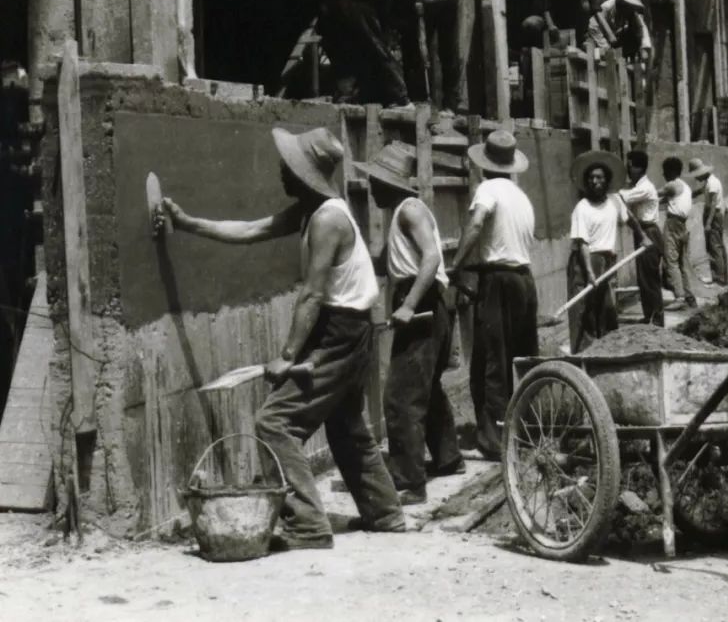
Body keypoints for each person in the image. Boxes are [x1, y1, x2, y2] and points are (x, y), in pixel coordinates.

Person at [157, 127, 405, 550]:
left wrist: (287, 356)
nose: (281, 172)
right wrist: (187, 223)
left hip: (340, 330)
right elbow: (251, 230)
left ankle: (307, 524)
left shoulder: (328, 218)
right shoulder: (310, 210)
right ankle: (385, 513)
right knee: (346, 424)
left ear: (304, 173)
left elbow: (311, 295)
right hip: (347, 328)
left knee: (274, 423)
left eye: (287, 166)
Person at [359, 141, 463, 505]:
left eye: (374, 181)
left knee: (401, 397)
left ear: (390, 182)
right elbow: (388, 262)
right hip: (426, 302)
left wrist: (409, 305)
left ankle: (409, 483)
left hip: (422, 303)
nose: (370, 188)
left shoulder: (409, 210)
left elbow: (432, 259)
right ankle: (448, 458)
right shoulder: (401, 214)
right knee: (427, 388)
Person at [450, 130, 537, 460]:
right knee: (521, 356)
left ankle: (495, 440)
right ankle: (525, 430)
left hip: (498, 281)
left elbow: (476, 226)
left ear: (484, 164)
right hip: (524, 280)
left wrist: (456, 266)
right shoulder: (520, 196)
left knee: (492, 359)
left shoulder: (487, 189)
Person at [566, 150, 628, 353]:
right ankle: (585, 355)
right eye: (591, 178)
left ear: (607, 180)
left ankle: (607, 351)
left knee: (607, 310)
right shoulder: (582, 207)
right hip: (586, 263)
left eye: (599, 177)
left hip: (607, 261)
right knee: (586, 312)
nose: (595, 181)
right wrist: (591, 274)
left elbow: (629, 220)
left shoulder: (613, 203)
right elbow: (583, 243)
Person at [618, 150, 665, 326]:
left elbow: (622, 196)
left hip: (649, 233)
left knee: (650, 279)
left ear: (639, 168)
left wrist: (614, 186)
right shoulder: (638, 186)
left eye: (630, 166)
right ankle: (649, 316)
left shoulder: (645, 188)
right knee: (643, 278)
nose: (629, 170)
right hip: (643, 232)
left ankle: (657, 319)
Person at [658, 156, 697, 310]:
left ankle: (679, 297)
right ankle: (689, 296)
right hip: (683, 226)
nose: (663, 174)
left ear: (671, 172)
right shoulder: (685, 187)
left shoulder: (672, 185)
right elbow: (668, 199)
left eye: (665, 172)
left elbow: (654, 194)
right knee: (682, 263)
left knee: (671, 261)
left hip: (673, 224)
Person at [687, 157, 728, 286]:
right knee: (716, 247)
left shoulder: (713, 184)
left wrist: (709, 223)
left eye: (696, 176)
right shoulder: (709, 182)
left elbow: (713, 204)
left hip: (713, 215)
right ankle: (719, 277)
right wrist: (689, 194)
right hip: (713, 215)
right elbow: (700, 191)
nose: (696, 179)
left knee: (714, 247)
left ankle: (719, 278)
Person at [585, 0, 653, 63]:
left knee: (631, 36)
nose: (630, 10)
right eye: (629, 6)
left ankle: (627, 59)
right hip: (597, 37)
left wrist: (643, 48)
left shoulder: (632, 14)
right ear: (624, 3)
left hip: (614, 39)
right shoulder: (608, 6)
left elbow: (641, 28)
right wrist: (605, 47)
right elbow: (593, 26)